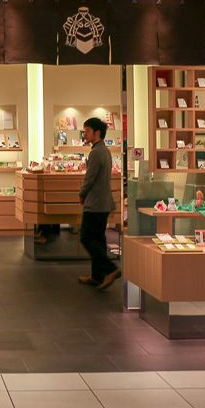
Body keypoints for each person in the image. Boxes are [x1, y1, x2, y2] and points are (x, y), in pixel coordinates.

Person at [77, 117, 120, 291]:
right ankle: (97, 276)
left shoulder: (96, 153)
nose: (85, 134)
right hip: (103, 203)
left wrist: (82, 194)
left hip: (94, 203)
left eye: (87, 131)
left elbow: (90, 178)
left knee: (86, 237)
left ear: (97, 132)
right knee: (98, 239)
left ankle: (111, 269)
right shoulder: (105, 151)